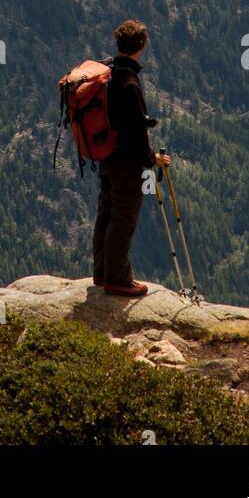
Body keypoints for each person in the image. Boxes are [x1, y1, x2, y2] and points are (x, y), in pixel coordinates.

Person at [92, 19, 170, 297]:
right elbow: (137, 132)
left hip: (106, 158)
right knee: (123, 219)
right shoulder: (129, 82)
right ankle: (118, 279)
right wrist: (153, 159)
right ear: (141, 46)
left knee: (106, 214)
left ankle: (101, 273)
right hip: (126, 163)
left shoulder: (109, 75)